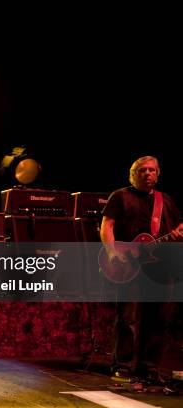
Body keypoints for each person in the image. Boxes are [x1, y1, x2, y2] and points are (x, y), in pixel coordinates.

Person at [100, 156, 183, 382]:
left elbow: (177, 229)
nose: (148, 174)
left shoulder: (165, 200)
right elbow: (107, 225)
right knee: (128, 317)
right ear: (133, 174)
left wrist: (176, 235)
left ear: (158, 174)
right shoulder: (120, 196)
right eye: (142, 170)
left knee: (159, 318)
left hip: (160, 269)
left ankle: (150, 368)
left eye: (152, 170)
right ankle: (123, 366)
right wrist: (111, 252)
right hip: (130, 266)